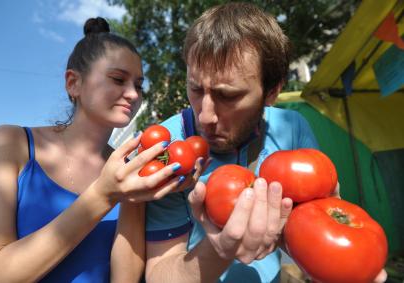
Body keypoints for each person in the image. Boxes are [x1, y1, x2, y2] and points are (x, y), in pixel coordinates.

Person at [143, 3, 387, 283]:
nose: (205, 115)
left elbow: (315, 233)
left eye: (228, 96)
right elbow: (158, 273)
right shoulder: (165, 150)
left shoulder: (293, 130)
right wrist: (218, 250)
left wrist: (337, 264)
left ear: (272, 91)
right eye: (195, 89)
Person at [0, 17, 186, 283]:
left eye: (138, 85)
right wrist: (104, 195)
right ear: (73, 83)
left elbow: (124, 279)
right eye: (118, 79)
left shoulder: (129, 168)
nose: (133, 94)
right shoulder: (10, 143)